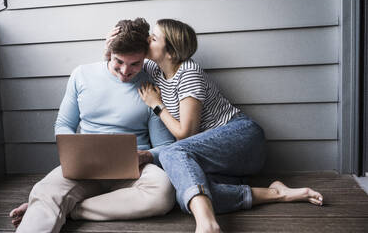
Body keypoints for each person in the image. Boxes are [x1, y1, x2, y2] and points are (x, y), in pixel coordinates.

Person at [134, 19, 324, 233]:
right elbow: (124, 56)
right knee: (185, 194)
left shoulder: (188, 73)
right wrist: (111, 45)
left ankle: (208, 225)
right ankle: (276, 193)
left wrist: (157, 106)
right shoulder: (155, 69)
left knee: (172, 155)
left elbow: (185, 135)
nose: (147, 40)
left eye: (154, 38)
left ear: (170, 52)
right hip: (220, 161)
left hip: (243, 137)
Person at [9, 18, 176, 232]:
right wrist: (73, 151)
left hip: (135, 170)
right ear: (109, 52)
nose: (125, 71)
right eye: (119, 61)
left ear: (145, 57)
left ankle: (70, 210)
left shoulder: (150, 86)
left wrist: (144, 156)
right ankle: (52, 207)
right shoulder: (82, 75)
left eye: (135, 64)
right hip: (85, 166)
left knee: (163, 192)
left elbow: (165, 145)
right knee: (44, 191)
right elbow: (64, 124)